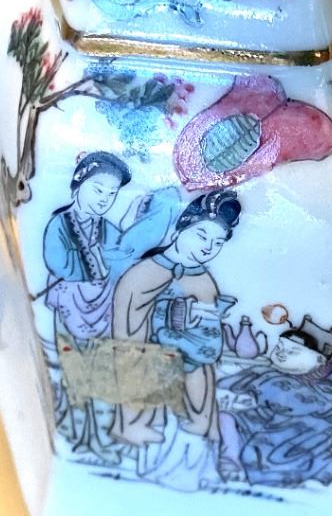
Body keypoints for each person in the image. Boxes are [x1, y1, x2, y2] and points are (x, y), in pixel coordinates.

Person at [41, 151, 177, 458]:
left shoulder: (104, 227)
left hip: (102, 307)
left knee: (101, 370)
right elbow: (57, 261)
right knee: (76, 372)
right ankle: (81, 438)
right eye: (98, 189)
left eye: (111, 193)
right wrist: (98, 262)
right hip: (72, 306)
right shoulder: (60, 223)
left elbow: (122, 254)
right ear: (78, 185)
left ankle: (104, 438)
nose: (104, 199)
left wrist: (133, 229)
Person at [109, 189, 241, 489]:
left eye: (217, 243)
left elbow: (209, 331)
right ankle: (142, 446)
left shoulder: (202, 277)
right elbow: (129, 331)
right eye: (201, 236)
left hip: (195, 371)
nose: (207, 248)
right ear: (182, 227)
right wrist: (177, 315)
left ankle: (198, 467)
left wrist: (205, 318)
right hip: (155, 366)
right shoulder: (143, 273)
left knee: (196, 411)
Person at [225, 319, 332, 488]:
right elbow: (229, 385)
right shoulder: (265, 372)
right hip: (259, 420)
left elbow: (306, 402)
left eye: (292, 351)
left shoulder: (330, 385)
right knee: (227, 420)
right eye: (279, 347)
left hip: (298, 430)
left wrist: (256, 397)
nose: (281, 353)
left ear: (319, 360)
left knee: (275, 452)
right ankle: (231, 462)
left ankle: (319, 467)